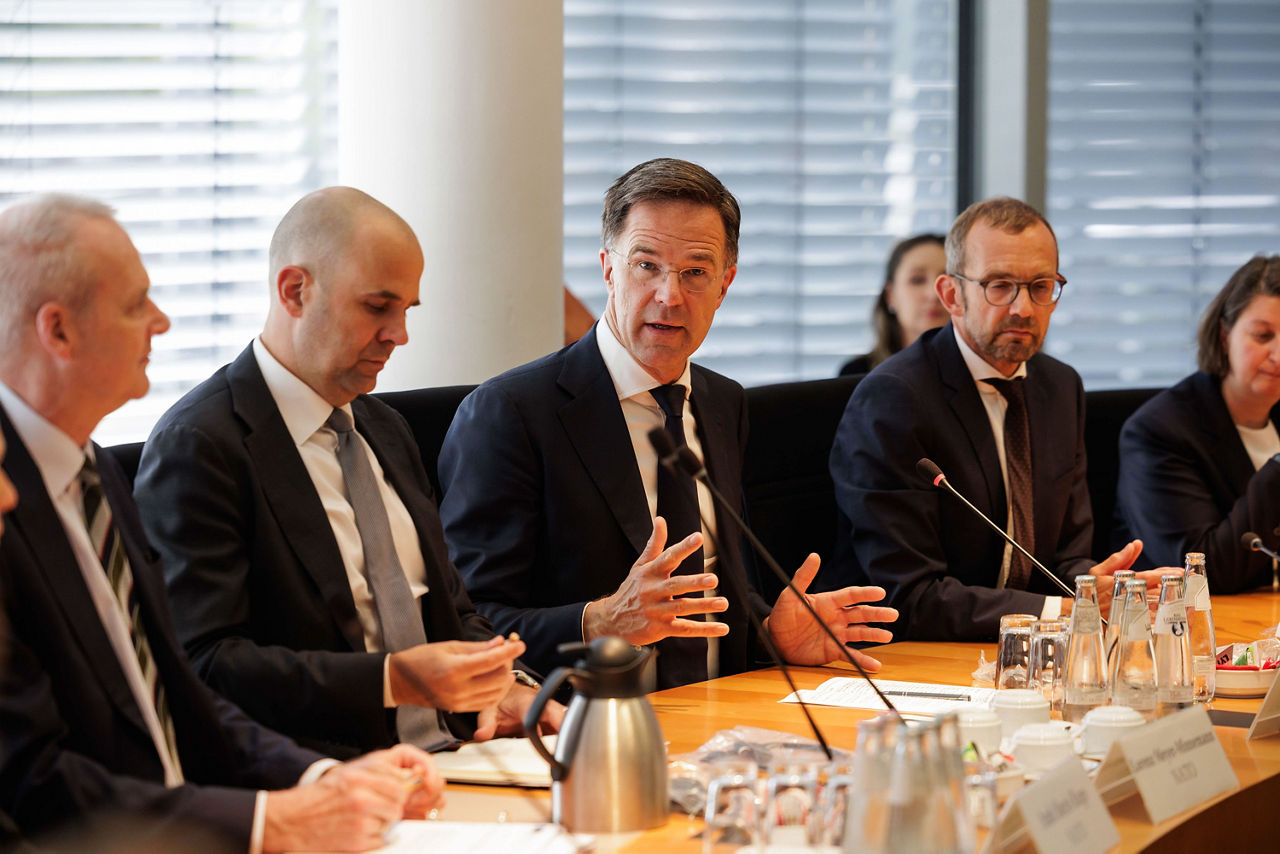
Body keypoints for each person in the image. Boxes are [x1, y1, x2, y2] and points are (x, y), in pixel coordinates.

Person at [0, 194, 443, 851]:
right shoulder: (20, 494)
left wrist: (318, 779)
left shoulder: (90, 472)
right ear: (58, 332)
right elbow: (28, 778)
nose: (162, 322)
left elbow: (178, 698)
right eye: (135, 305)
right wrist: (270, 822)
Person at [134, 187, 562, 759]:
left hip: (458, 757)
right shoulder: (201, 445)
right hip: (321, 774)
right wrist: (392, 680)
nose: (399, 335)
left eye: (406, 311)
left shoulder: (384, 428)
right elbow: (203, 665)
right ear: (294, 291)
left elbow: (452, 610)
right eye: (376, 306)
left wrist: (506, 686)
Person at [437, 158, 897, 688]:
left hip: (723, 717)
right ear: (609, 268)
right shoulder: (511, 413)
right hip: (590, 725)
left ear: (724, 285)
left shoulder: (723, 402)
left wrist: (770, 630)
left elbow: (712, 588)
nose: (669, 296)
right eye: (646, 265)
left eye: (695, 272)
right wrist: (599, 622)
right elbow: (466, 625)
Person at [823, 196, 1165, 641]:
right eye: (999, 285)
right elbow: (906, 596)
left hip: (1024, 651)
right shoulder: (894, 399)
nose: (1023, 307)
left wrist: (1095, 588)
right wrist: (1063, 609)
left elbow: (1066, 555)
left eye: (1041, 286)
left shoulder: (1059, 387)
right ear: (952, 295)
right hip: (907, 658)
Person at [1115, 255, 1280, 590]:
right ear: (1224, 335)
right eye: (1263, 336)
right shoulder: (1159, 431)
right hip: (1185, 629)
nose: (1279, 354)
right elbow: (1201, 574)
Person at [839, 233, 948, 375]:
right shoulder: (857, 374)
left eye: (947, 279)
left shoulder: (978, 374)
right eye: (917, 280)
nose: (934, 294)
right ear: (890, 296)